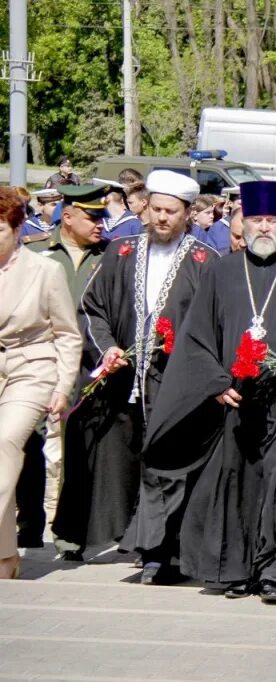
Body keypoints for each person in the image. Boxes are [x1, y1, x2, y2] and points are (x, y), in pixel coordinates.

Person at [141, 180, 276, 604]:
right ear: (243, 222)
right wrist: (215, 382)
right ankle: (237, 569)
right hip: (237, 401)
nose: (264, 227)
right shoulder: (221, 271)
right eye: (256, 219)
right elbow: (196, 338)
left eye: (272, 220)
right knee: (237, 484)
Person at [51, 172, 220, 573]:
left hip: (174, 382)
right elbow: (92, 308)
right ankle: (102, 535)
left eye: (171, 212)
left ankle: (160, 551)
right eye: (156, 209)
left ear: (187, 214)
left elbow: (214, 325)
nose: (161, 218)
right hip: (123, 378)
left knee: (167, 461)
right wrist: (107, 346)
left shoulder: (204, 261)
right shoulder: (122, 251)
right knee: (108, 454)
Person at [0, 188, 82, 579]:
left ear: (16, 229)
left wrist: (63, 386)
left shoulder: (44, 271)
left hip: (31, 368)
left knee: (5, 441)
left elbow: (67, 333)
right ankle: (5, 556)